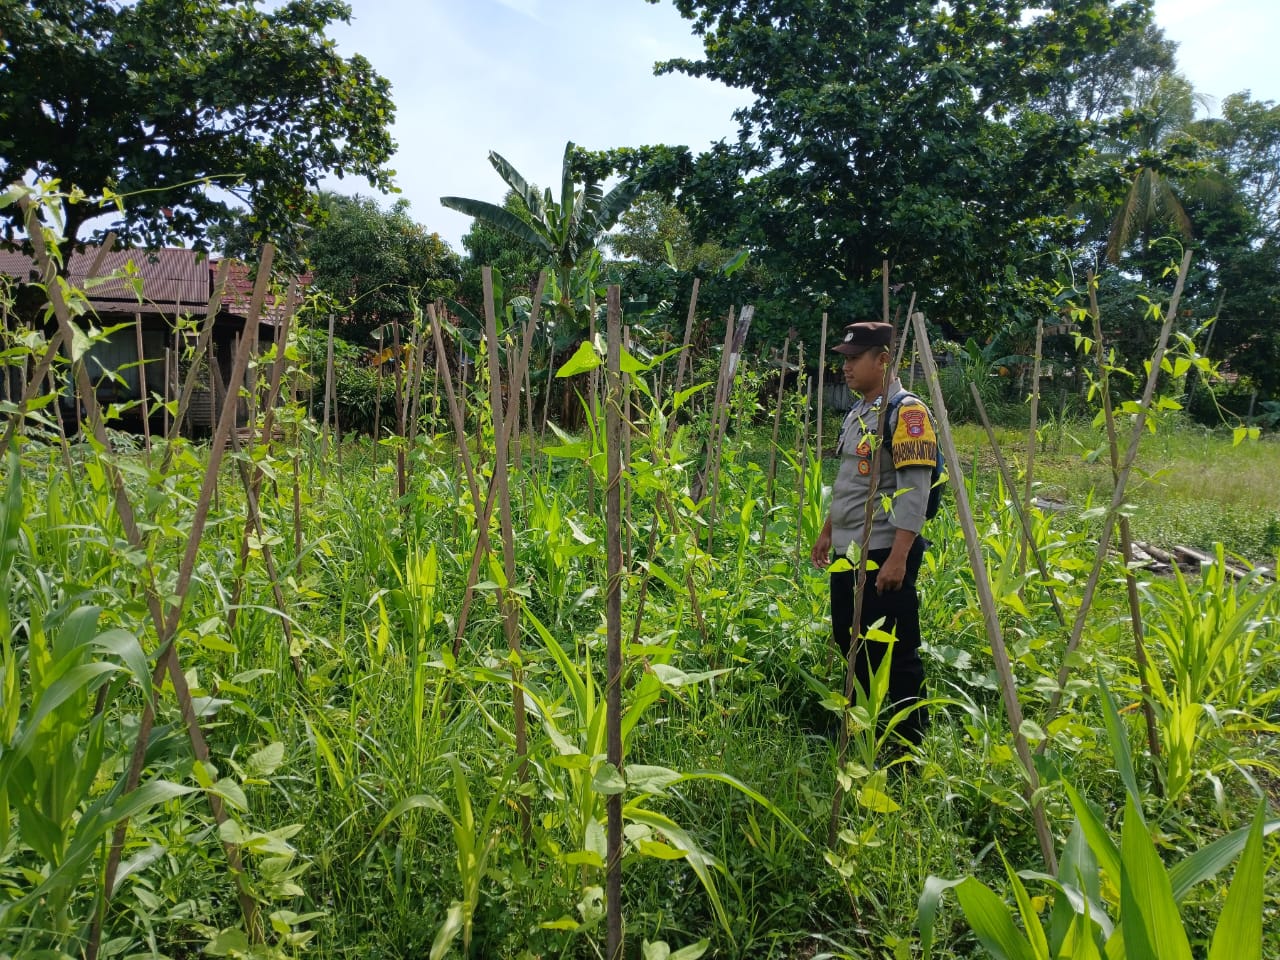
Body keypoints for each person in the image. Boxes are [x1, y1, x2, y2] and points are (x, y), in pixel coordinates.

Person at [810, 321, 937, 747]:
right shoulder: (859, 412)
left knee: (894, 650)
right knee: (850, 639)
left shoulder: (907, 412)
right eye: (844, 358)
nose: (845, 367)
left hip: (883, 550)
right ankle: (862, 727)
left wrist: (899, 558)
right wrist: (827, 532)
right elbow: (851, 481)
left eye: (854, 358)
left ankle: (907, 744)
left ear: (883, 359)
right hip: (849, 549)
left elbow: (914, 491)